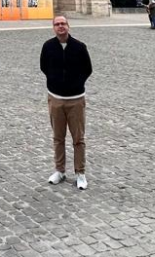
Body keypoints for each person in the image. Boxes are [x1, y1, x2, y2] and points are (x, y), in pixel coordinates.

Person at [40, 14, 92, 190]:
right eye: (57, 24)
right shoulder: (48, 46)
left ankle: (80, 173)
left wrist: (76, 83)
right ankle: (59, 170)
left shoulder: (79, 47)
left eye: (63, 23)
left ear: (68, 26)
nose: (60, 26)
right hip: (55, 98)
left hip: (75, 99)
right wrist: (54, 81)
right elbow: (44, 67)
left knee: (78, 139)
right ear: (53, 27)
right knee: (58, 137)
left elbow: (88, 69)